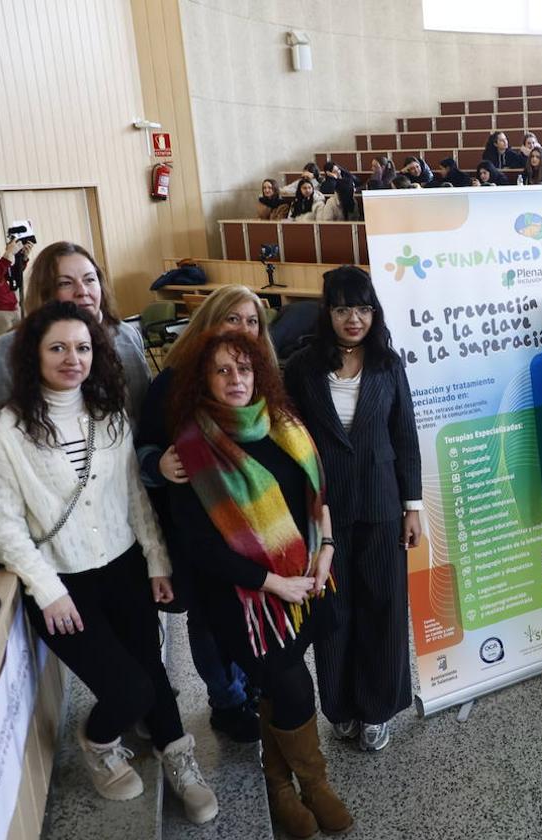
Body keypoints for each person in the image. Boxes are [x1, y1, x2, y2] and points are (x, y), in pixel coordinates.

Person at [0, 301, 218, 824]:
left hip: (124, 567)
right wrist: (48, 590)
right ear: (33, 356)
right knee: (128, 689)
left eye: (83, 348)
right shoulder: (7, 430)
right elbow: (3, 528)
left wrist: (157, 560)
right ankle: (99, 740)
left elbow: (134, 497)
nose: (73, 358)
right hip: (61, 583)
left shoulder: (108, 415)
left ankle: (177, 754)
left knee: (152, 670)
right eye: (58, 348)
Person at [168, 330, 352, 837]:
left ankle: (280, 788)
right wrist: (275, 584)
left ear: (260, 373)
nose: (235, 379)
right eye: (222, 370)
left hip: (303, 582)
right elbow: (202, 549)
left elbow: (319, 493)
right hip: (245, 601)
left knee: (278, 689)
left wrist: (328, 550)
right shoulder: (192, 448)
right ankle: (313, 786)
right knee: (294, 687)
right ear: (204, 379)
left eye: (244, 369)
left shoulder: (284, 423)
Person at [283, 266, 421, 754]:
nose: (354, 319)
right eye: (343, 309)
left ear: (373, 312)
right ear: (328, 312)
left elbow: (404, 436)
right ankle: (340, 707)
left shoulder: (388, 364)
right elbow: (288, 438)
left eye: (363, 308)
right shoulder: (301, 367)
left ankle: (378, 709)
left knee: (384, 607)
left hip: (383, 504)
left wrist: (412, 506)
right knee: (334, 611)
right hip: (326, 511)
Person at [137, 285, 277, 744]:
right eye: (232, 319)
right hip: (196, 526)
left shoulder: (266, 375)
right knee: (210, 621)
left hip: (256, 524)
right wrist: (158, 463)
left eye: (252, 321)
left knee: (250, 607)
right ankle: (226, 700)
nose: (243, 329)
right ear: (210, 323)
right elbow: (144, 449)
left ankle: (255, 683)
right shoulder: (174, 381)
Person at [0, 241, 150, 444]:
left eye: (89, 280)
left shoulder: (126, 336)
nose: (82, 291)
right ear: (45, 292)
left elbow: (141, 411)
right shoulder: (3, 350)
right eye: (65, 283)